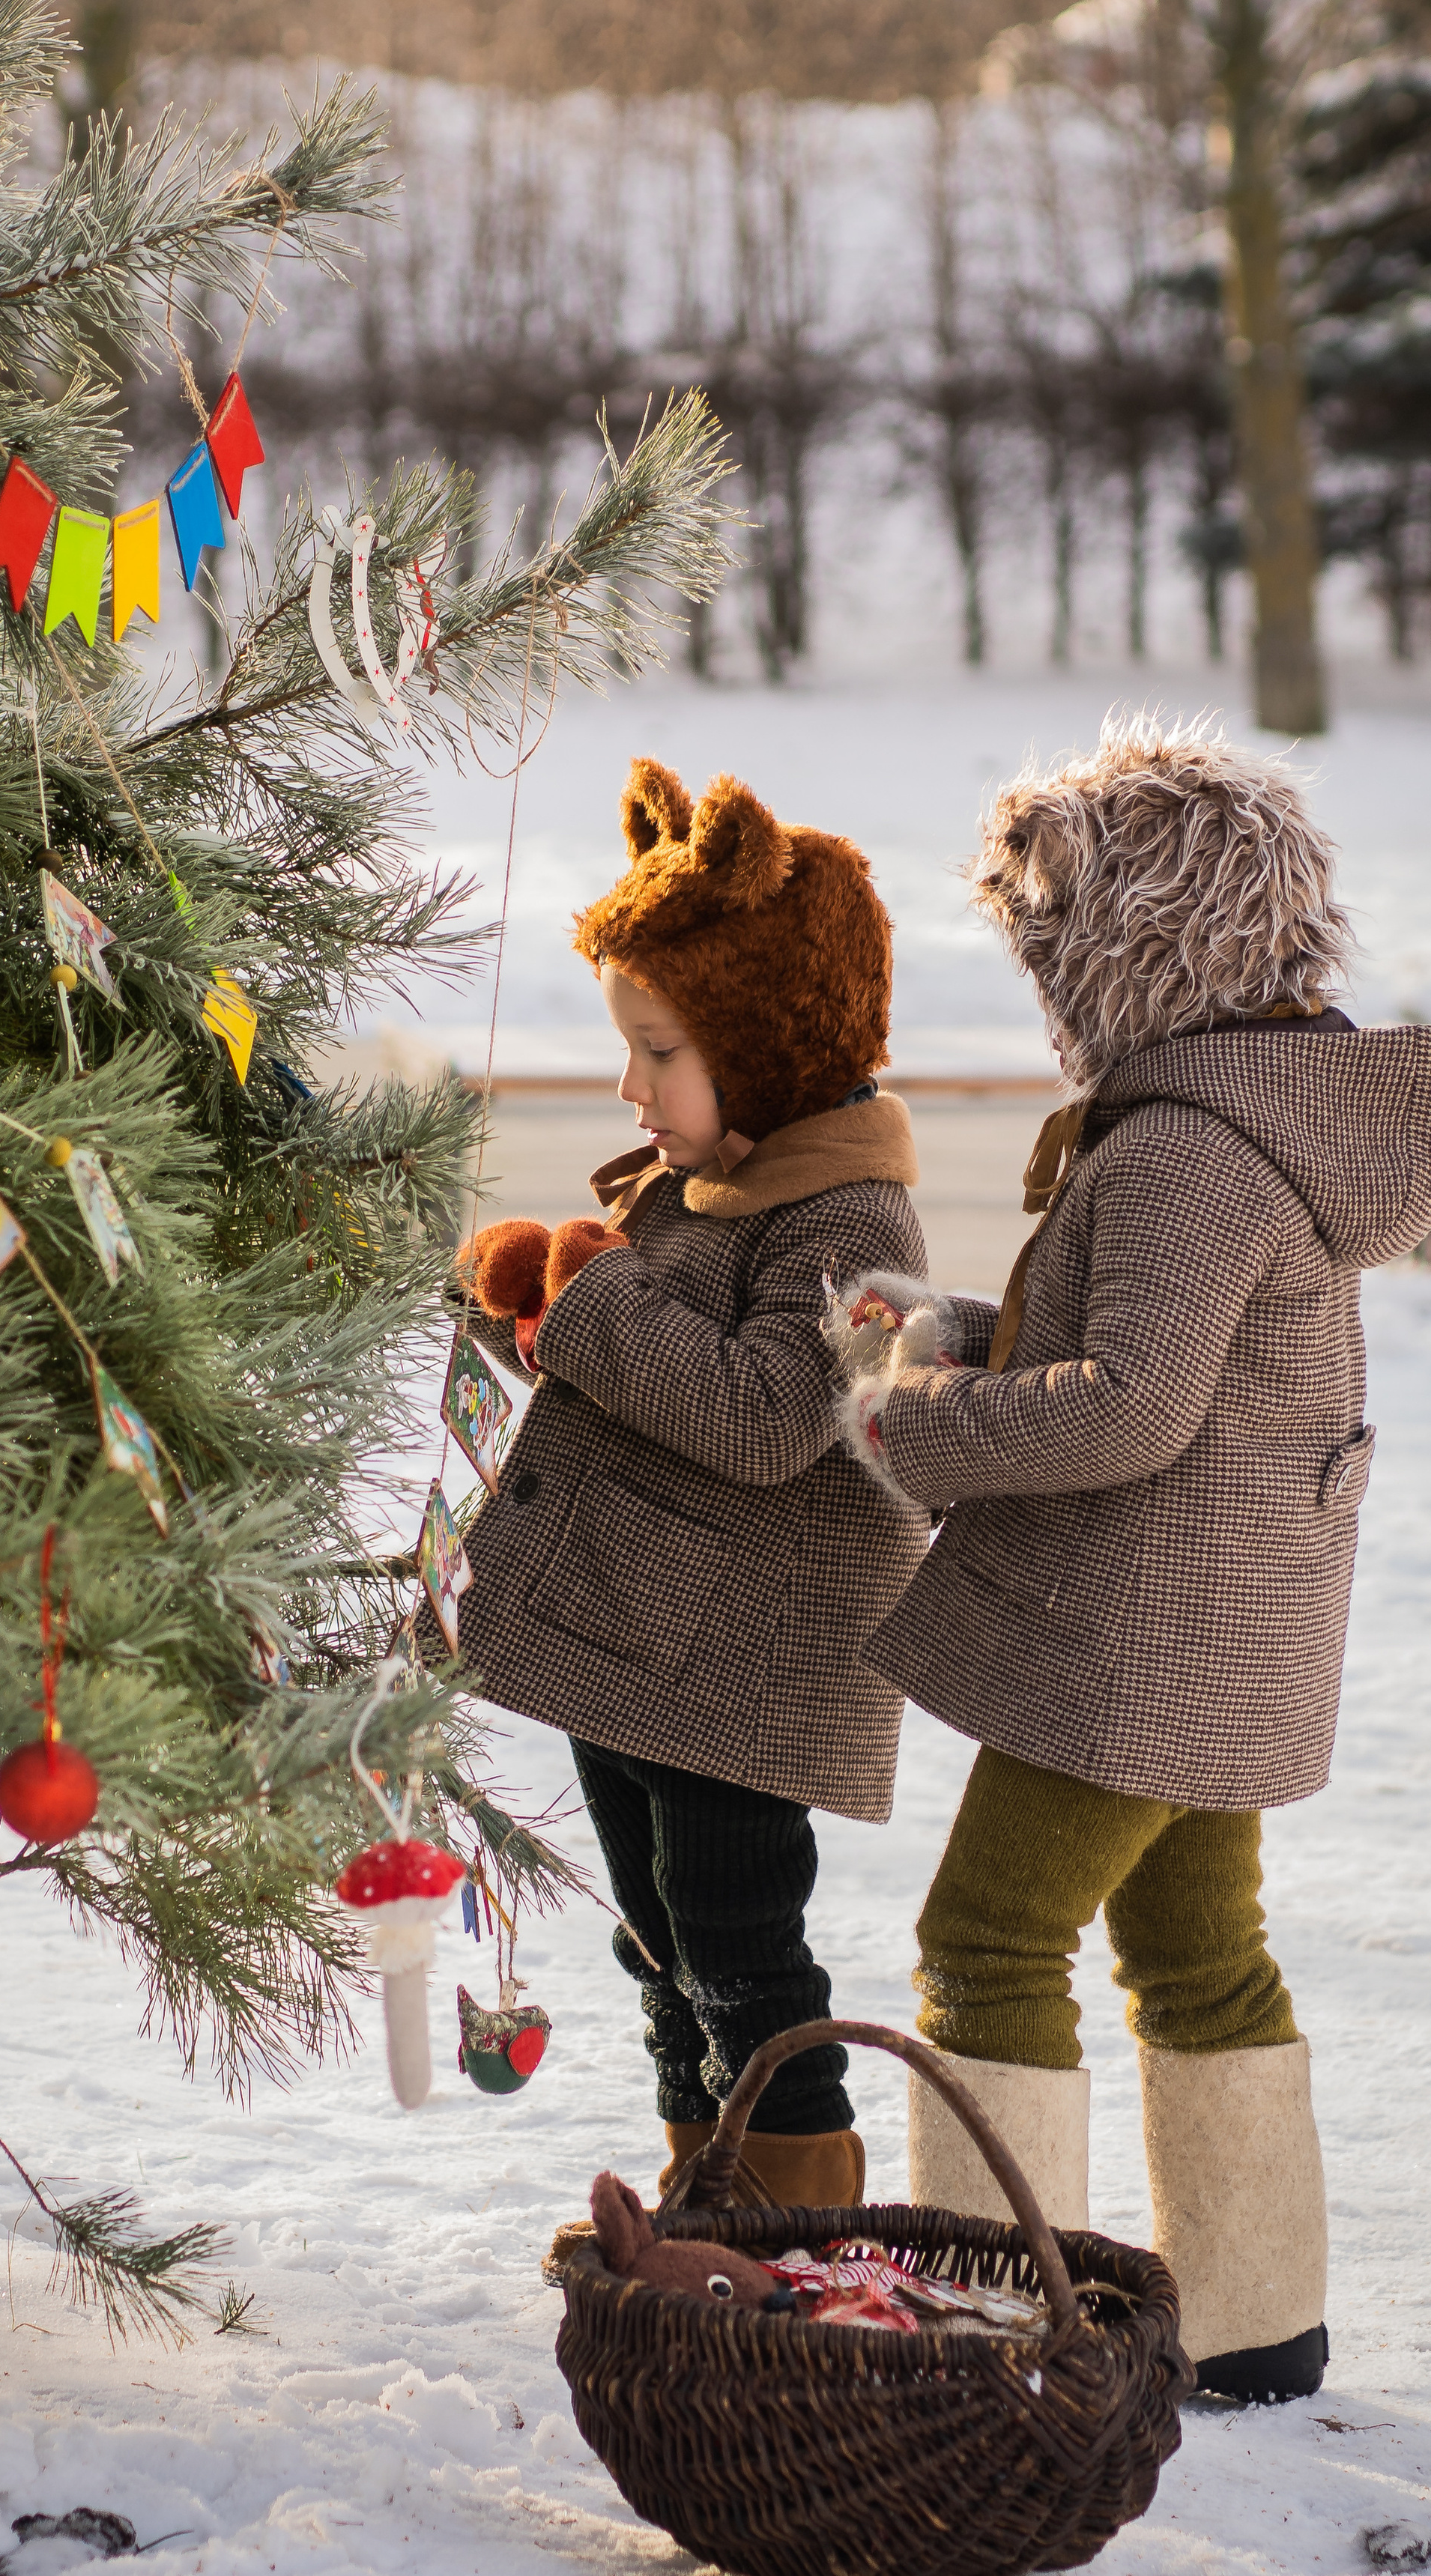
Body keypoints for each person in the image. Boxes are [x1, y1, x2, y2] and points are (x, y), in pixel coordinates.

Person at [835, 716, 1431, 2402]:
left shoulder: (1189, 1149)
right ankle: (1259, 2325)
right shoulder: (1239, 1112)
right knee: (1200, 1953)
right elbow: (1146, 1354)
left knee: (986, 1944)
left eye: (1051, 945)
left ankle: (986, 2325)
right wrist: (955, 1335)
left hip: (1128, 1649)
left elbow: (1126, 1408)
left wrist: (913, 1425)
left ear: (1129, 946)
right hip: (1221, 1632)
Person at [446, 757, 928, 2215]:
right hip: (639, 1646)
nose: (629, 1085)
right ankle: (698, 2198)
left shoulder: (846, 1220)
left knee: (737, 1948)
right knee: (657, 1938)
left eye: (658, 1053)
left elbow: (772, 1410)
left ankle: (792, 2227)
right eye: (628, 1051)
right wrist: (533, 1296)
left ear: (769, 1049)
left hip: (736, 1678)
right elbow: (637, 1347)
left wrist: (590, 1305)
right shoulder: (713, 1184)